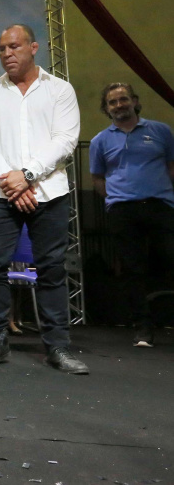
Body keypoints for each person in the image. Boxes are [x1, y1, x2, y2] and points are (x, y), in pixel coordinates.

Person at [0, 24, 87, 374]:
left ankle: (58, 347)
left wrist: (28, 175)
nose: (7, 53)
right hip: (1, 194)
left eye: (14, 46)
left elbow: (65, 140)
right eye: (2, 48)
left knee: (52, 270)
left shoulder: (60, 90)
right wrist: (13, 182)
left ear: (34, 47)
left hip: (48, 193)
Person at [90, 82, 174, 348]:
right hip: (122, 211)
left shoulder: (161, 131)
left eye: (123, 100)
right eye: (112, 102)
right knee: (132, 271)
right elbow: (97, 178)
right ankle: (143, 328)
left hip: (160, 206)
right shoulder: (99, 141)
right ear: (106, 109)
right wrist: (116, 200)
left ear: (135, 101)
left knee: (171, 260)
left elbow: (172, 168)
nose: (119, 105)